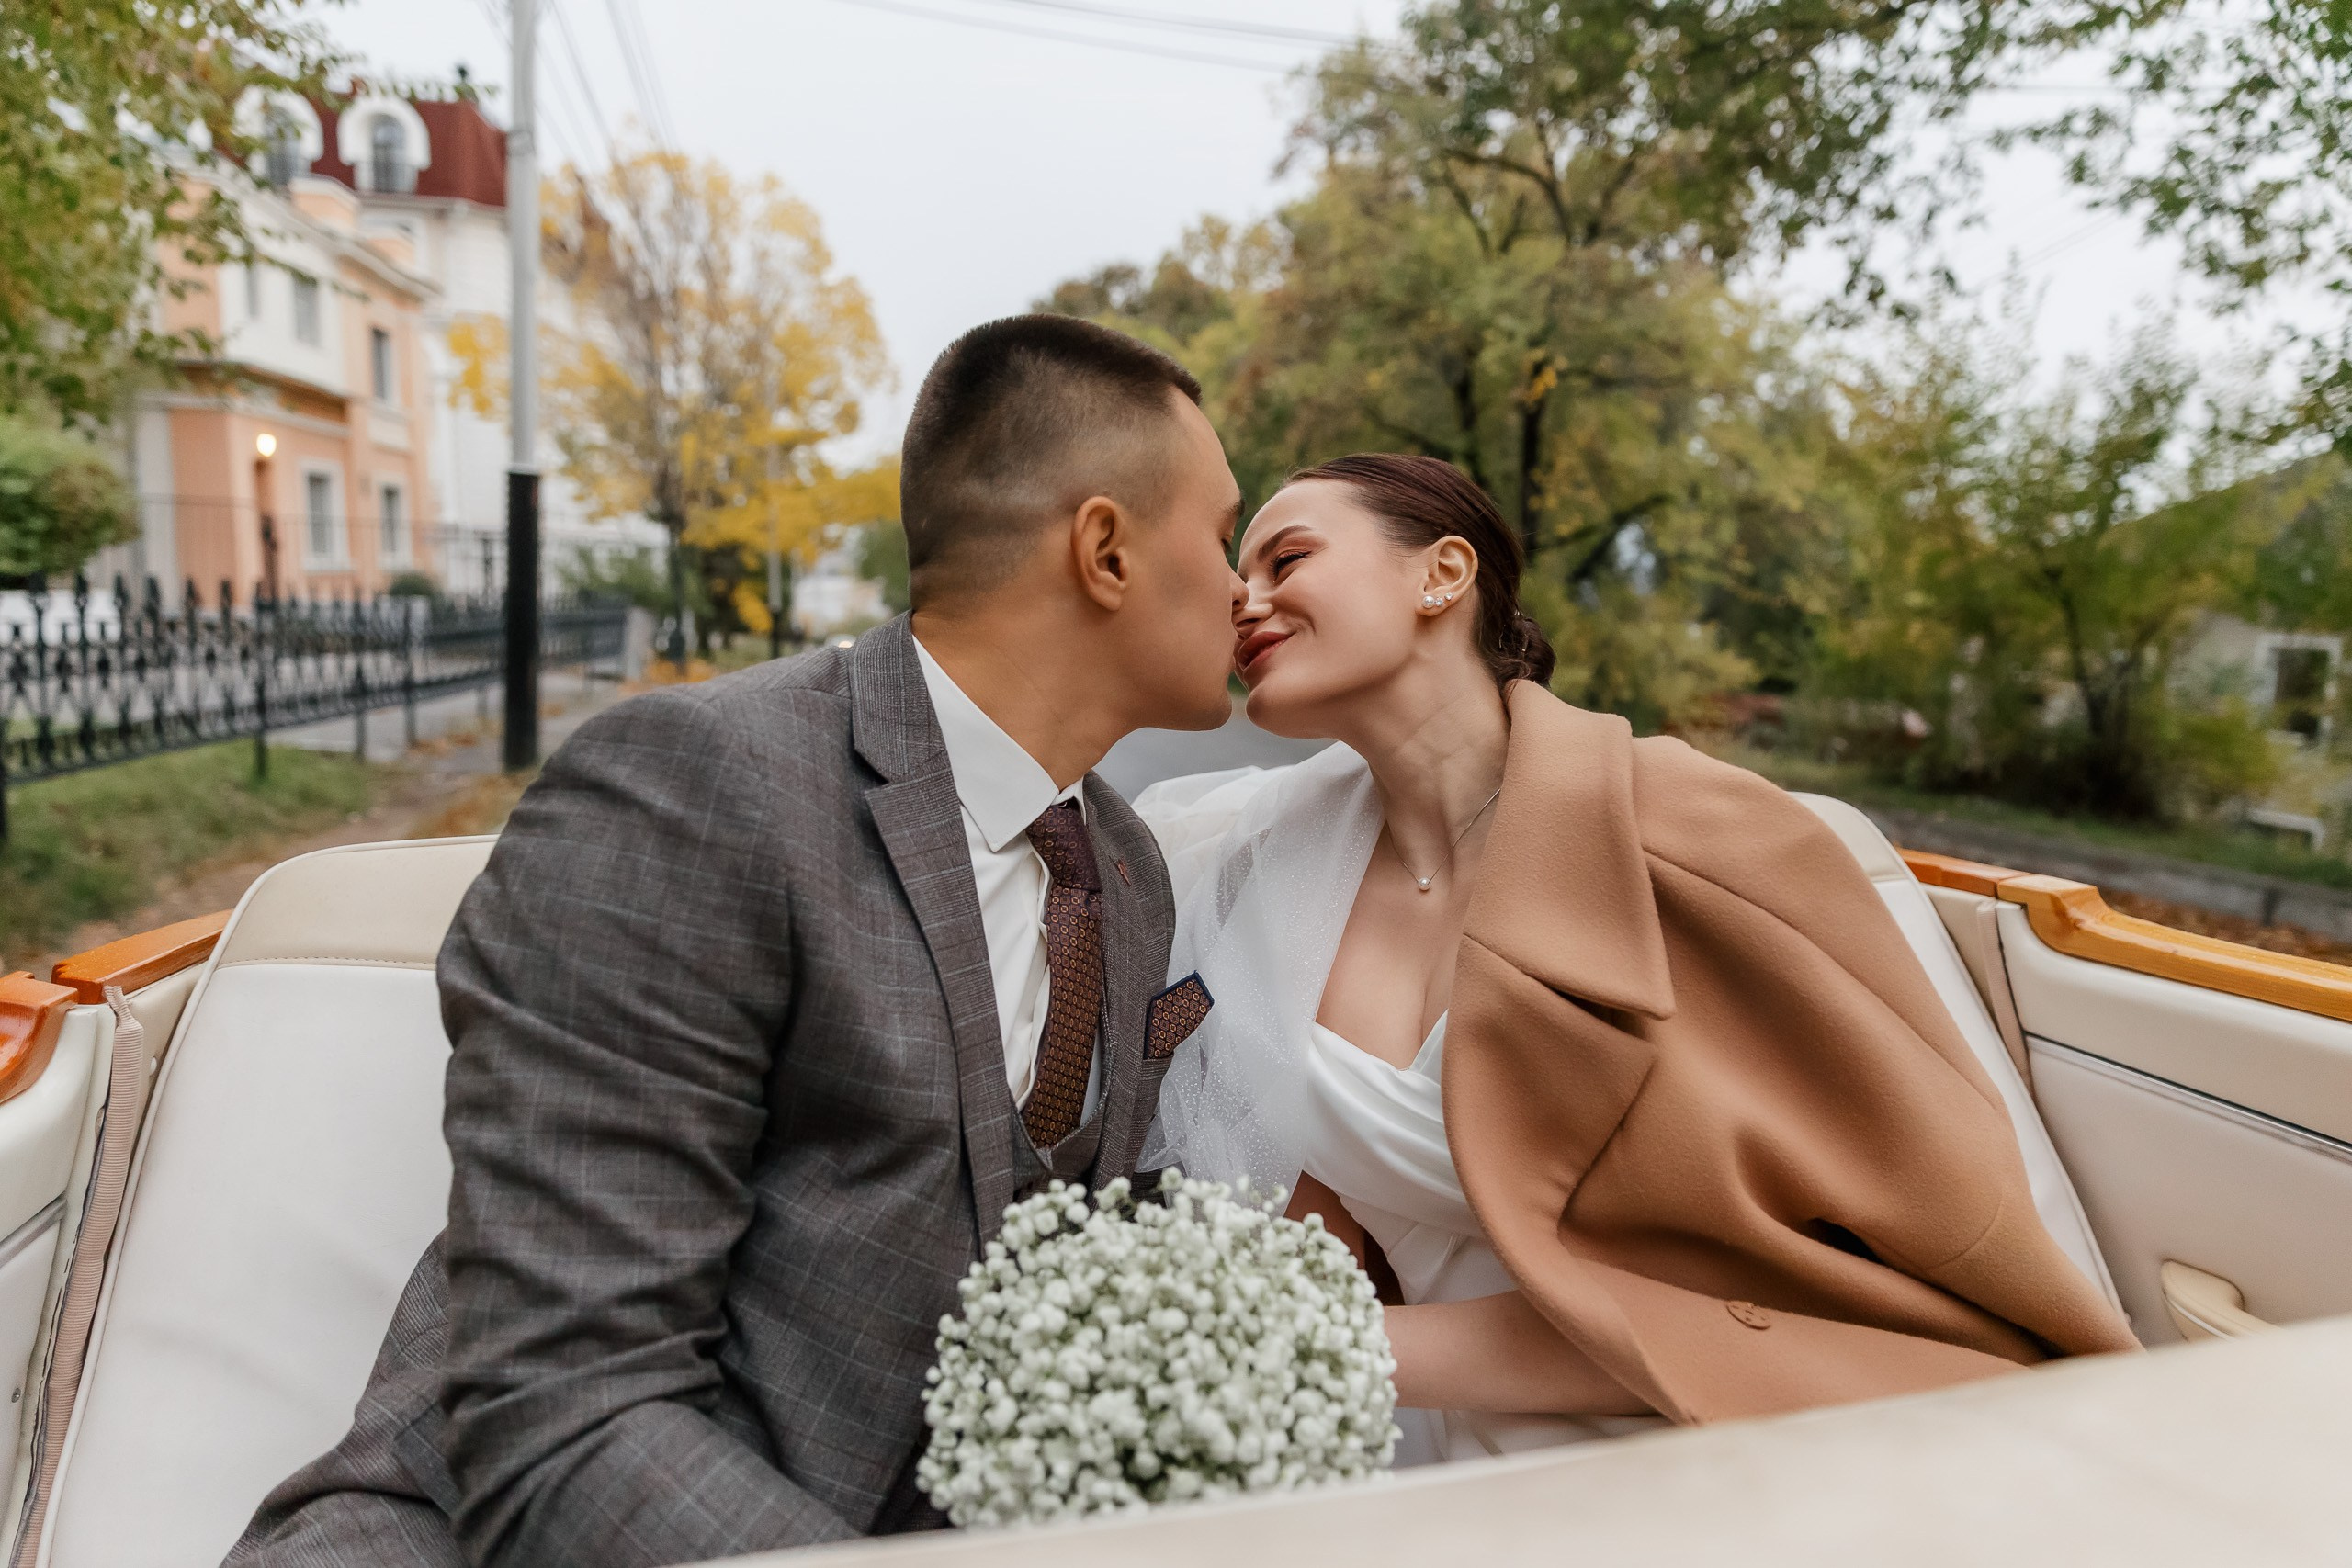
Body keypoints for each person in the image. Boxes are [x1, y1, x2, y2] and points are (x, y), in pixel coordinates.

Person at [225, 314, 1247, 1566]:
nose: (1247, 585)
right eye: (1225, 533)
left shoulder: (1127, 869)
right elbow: (563, 1420)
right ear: (1105, 548)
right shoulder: (697, 784)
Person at [1136, 452, 2141, 1467]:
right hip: (1419, 1438)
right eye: (1236, 573)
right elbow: (1309, 1247)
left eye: (1286, 558)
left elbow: (1886, 1240)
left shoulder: (1694, 827)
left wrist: (1347, 1352)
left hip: (1731, 1423)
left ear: (1443, 573)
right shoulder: (1260, 873)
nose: (1241, 599)